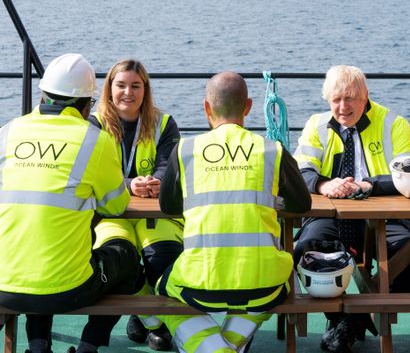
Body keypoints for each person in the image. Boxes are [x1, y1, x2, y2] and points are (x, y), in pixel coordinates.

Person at [156, 71, 311, 352]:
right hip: (264, 283)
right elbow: (302, 205)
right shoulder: (272, 151)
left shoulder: (185, 150)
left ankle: (215, 348)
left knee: (162, 290)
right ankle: (227, 345)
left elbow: (168, 207)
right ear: (248, 107)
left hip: (199, 284)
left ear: (206, 108)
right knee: (275, 290)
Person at [0, 53, 143, 353]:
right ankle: (89, 346)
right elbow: (116, 206)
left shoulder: (8, 132)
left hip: (4, 285)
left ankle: (38, 345)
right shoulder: (94, 140)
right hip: (69, 290)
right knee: (128, 259)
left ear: (43, 94)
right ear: (87, 105)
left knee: (38, 250)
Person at [292, 64, 410, 353]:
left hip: (387, 215)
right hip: (331, 213)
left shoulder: (394, 123)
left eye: (351, 98)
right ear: (327, 100)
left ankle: (355, 320)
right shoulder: (316, 125)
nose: (343, 107)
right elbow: (300, 171)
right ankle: (336, 318)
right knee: (304, 250)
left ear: (365, 96)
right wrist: (323, 185)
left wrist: (368, 185)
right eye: (336, 99)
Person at [89, 59, 181, 351]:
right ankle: (151, 319)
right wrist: (129, 185)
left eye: (135, 86)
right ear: (109, 89)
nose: (128, 92)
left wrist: (156, 182)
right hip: (110, 213)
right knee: (120, 260)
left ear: (145, 90)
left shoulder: (163, 123)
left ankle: (146, 318)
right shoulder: (94, 124)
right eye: (121, 85)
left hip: (155, 211)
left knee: (162, 261)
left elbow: (169, 166)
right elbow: (89, 173)